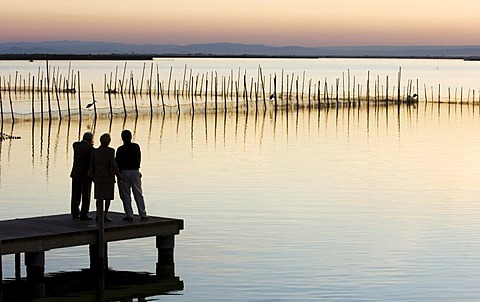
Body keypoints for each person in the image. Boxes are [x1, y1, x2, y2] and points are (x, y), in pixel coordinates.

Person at [88, 133, 122, 222]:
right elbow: (113, 164)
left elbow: (91, 164)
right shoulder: (111, 151)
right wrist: (118, 175)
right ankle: (105, 214)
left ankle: (98, 214)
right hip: (108, 177)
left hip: (98, 177)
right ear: (108, 142)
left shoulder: (95, 151)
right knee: (107, 197)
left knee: (99, 197)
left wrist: (91, 176)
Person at [116, 129, 148, 221]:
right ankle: (143, 213)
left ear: (122, 138)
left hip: (124, 172)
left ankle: (129, 214)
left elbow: (118, 162)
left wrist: (118, 173)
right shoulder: (136, 147)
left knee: (125, 195)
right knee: (138, 193)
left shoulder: (120, 149)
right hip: (135, 171)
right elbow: (139, 159)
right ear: (131, 137)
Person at [70, 132, 94, 220]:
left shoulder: (76, 145)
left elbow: (76, 143)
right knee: (86, 195)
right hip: (86, 175)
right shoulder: (90, 149)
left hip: (76, 174)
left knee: (75, 194)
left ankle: (75, 213)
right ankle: (84, 214)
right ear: (90, 140)